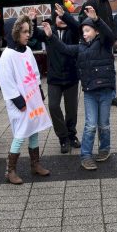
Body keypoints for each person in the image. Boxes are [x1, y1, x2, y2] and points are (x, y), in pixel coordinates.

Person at [44, 4, 116, 170]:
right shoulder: (80, 48)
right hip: (90, 92)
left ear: (96, 31)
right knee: (90, 125)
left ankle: (104, 149)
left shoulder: (105, 43)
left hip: (105, 91)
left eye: (88, 30)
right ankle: (86, 156)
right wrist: (51, 36)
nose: (84, 33)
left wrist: (97, 19)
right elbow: (63, 48)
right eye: (83, 31)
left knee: (104, 124)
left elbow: (110, 35)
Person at [0, 15, 52, 184]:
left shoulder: (27, 50)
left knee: (34, 128)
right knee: (21, 133)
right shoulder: (7, 55)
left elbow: (34, 73)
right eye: (23, 32)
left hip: (32, 97)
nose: (27, 35)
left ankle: (35, 164)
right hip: (19, 101)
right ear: (14, 33)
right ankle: (10, 170)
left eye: (28, 31)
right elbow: (6, 81)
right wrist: (18, 101)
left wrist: (39, 91)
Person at [34, 8, 81, 153]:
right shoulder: (50, 31)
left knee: (71, 109)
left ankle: (72, 135)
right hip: (54, 78)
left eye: (62, 17)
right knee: (53, 106)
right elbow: (35, 34)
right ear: (53, 18)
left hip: (71, 76)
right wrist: (32, 21)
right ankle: (63, 137)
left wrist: (65, 16)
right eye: (58, 17)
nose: (60, 19)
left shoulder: (73, 32)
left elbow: (76, 27)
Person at [82, 0, 117, 107]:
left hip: (108, 40)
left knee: (110, 68)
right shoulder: (92, 1)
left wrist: (114, 37)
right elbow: (86, 20)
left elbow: (110, 21)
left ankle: (112, 96)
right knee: (98, 68)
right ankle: (98, 93)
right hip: (97, 41)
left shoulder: (106, 2)